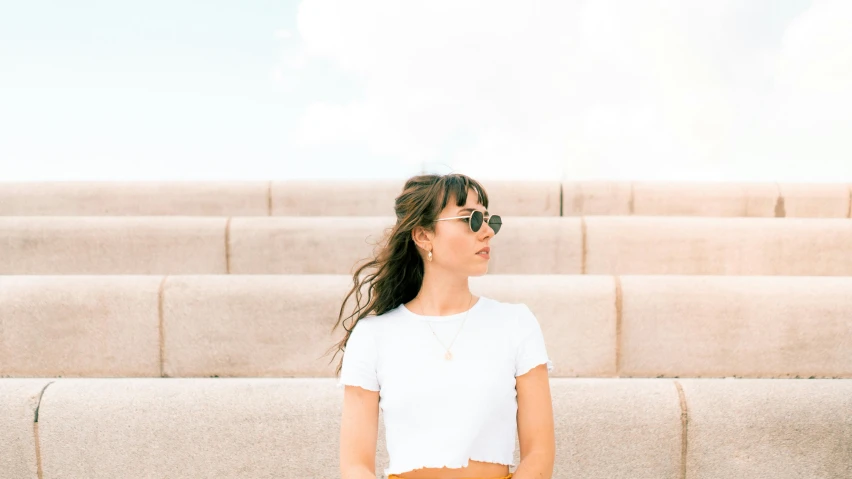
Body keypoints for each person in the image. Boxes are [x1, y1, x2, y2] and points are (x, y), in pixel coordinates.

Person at [330, 173, 555, 479]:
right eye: (470, 219)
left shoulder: (516, 323)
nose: (487, 231)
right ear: (424, 236)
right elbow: (355, 466)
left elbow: (539, 455)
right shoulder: (373, 336)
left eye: (489, 220)